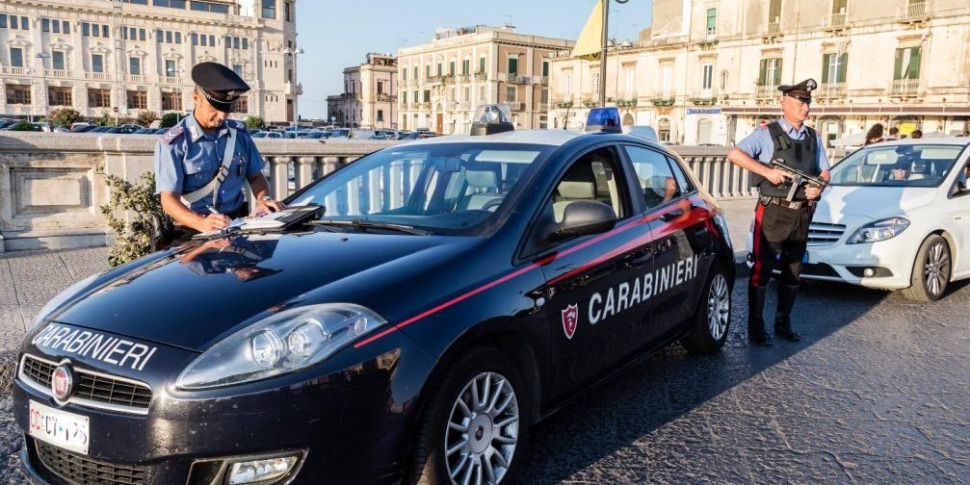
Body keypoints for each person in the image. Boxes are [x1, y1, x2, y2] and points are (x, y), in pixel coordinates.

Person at [727, 78, 831, 346]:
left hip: (801, 213)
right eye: (799, 102)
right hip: (773, 211)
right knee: (762, 270)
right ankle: (756, 329)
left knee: (793, 271)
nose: (805, 107)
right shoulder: (766, 134)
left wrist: (818, 188)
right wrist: (767, 172)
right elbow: (735, 155)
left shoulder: (813, 138)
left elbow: (825, 171)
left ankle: (783, 324)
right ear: (784, 103)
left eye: (807, 102)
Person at [155, 62, 284, 240]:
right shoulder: (175, 143)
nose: (222, 116)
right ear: (196, 98)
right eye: (214, 109)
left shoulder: (238, 135)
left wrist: (263, 199)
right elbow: (169, 201)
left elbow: (256, 177)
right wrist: (201, 223)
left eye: (227, 110)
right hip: (193, 230)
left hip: (236, 224)